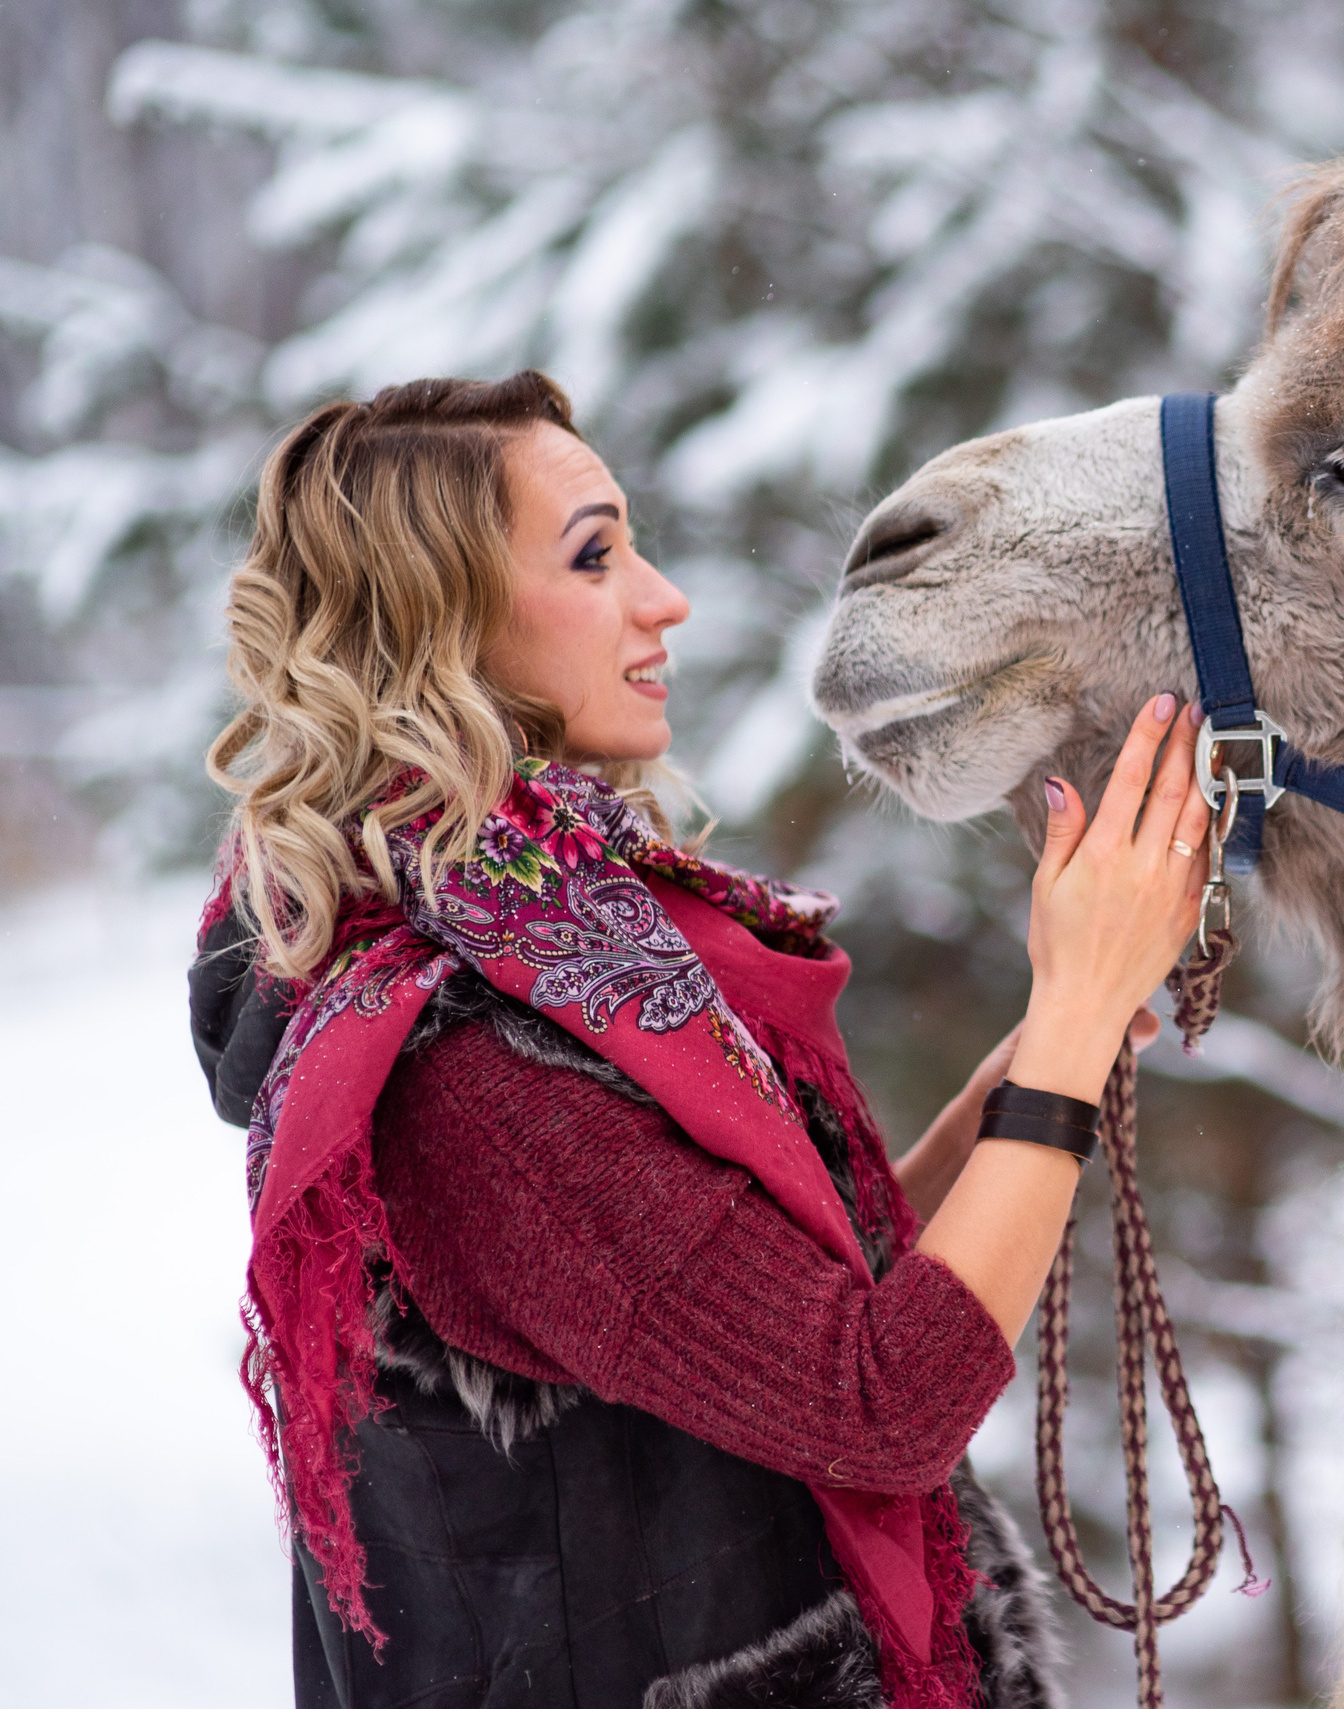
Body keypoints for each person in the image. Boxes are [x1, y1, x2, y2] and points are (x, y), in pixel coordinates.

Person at [186, 371, 1212, 1709]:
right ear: (443, 623)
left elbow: (750, 1327)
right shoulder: (467, 1071)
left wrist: (1000, 1112)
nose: (664, 599)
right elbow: (877, 1404)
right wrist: (1069, 1029)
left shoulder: (566, 950)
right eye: (595, 556)